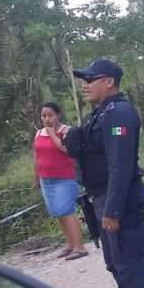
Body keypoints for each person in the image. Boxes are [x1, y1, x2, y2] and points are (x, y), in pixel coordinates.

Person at [70, 58, 144, 288]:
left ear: (109, 82)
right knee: (114, 261)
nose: (84, 85)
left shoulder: (119, 114)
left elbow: (120, 164)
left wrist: (112, 210)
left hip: (120, 199)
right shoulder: (99, 113)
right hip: (100, 196)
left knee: (130, 259)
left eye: (90, 79)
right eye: (84, 80)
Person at [33, 102, 88, 261]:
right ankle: (69, 244)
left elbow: (66, 150)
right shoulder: (38, 134)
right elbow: (36, 156)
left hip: (65, 178)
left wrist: (52, 133)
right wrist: (36, 176)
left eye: (50, 115)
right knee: (57, 212)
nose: (47, 118)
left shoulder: (67, 131)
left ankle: (80, 246)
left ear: (58, 115)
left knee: (67, 210)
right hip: (46, 179)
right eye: (44, 115)